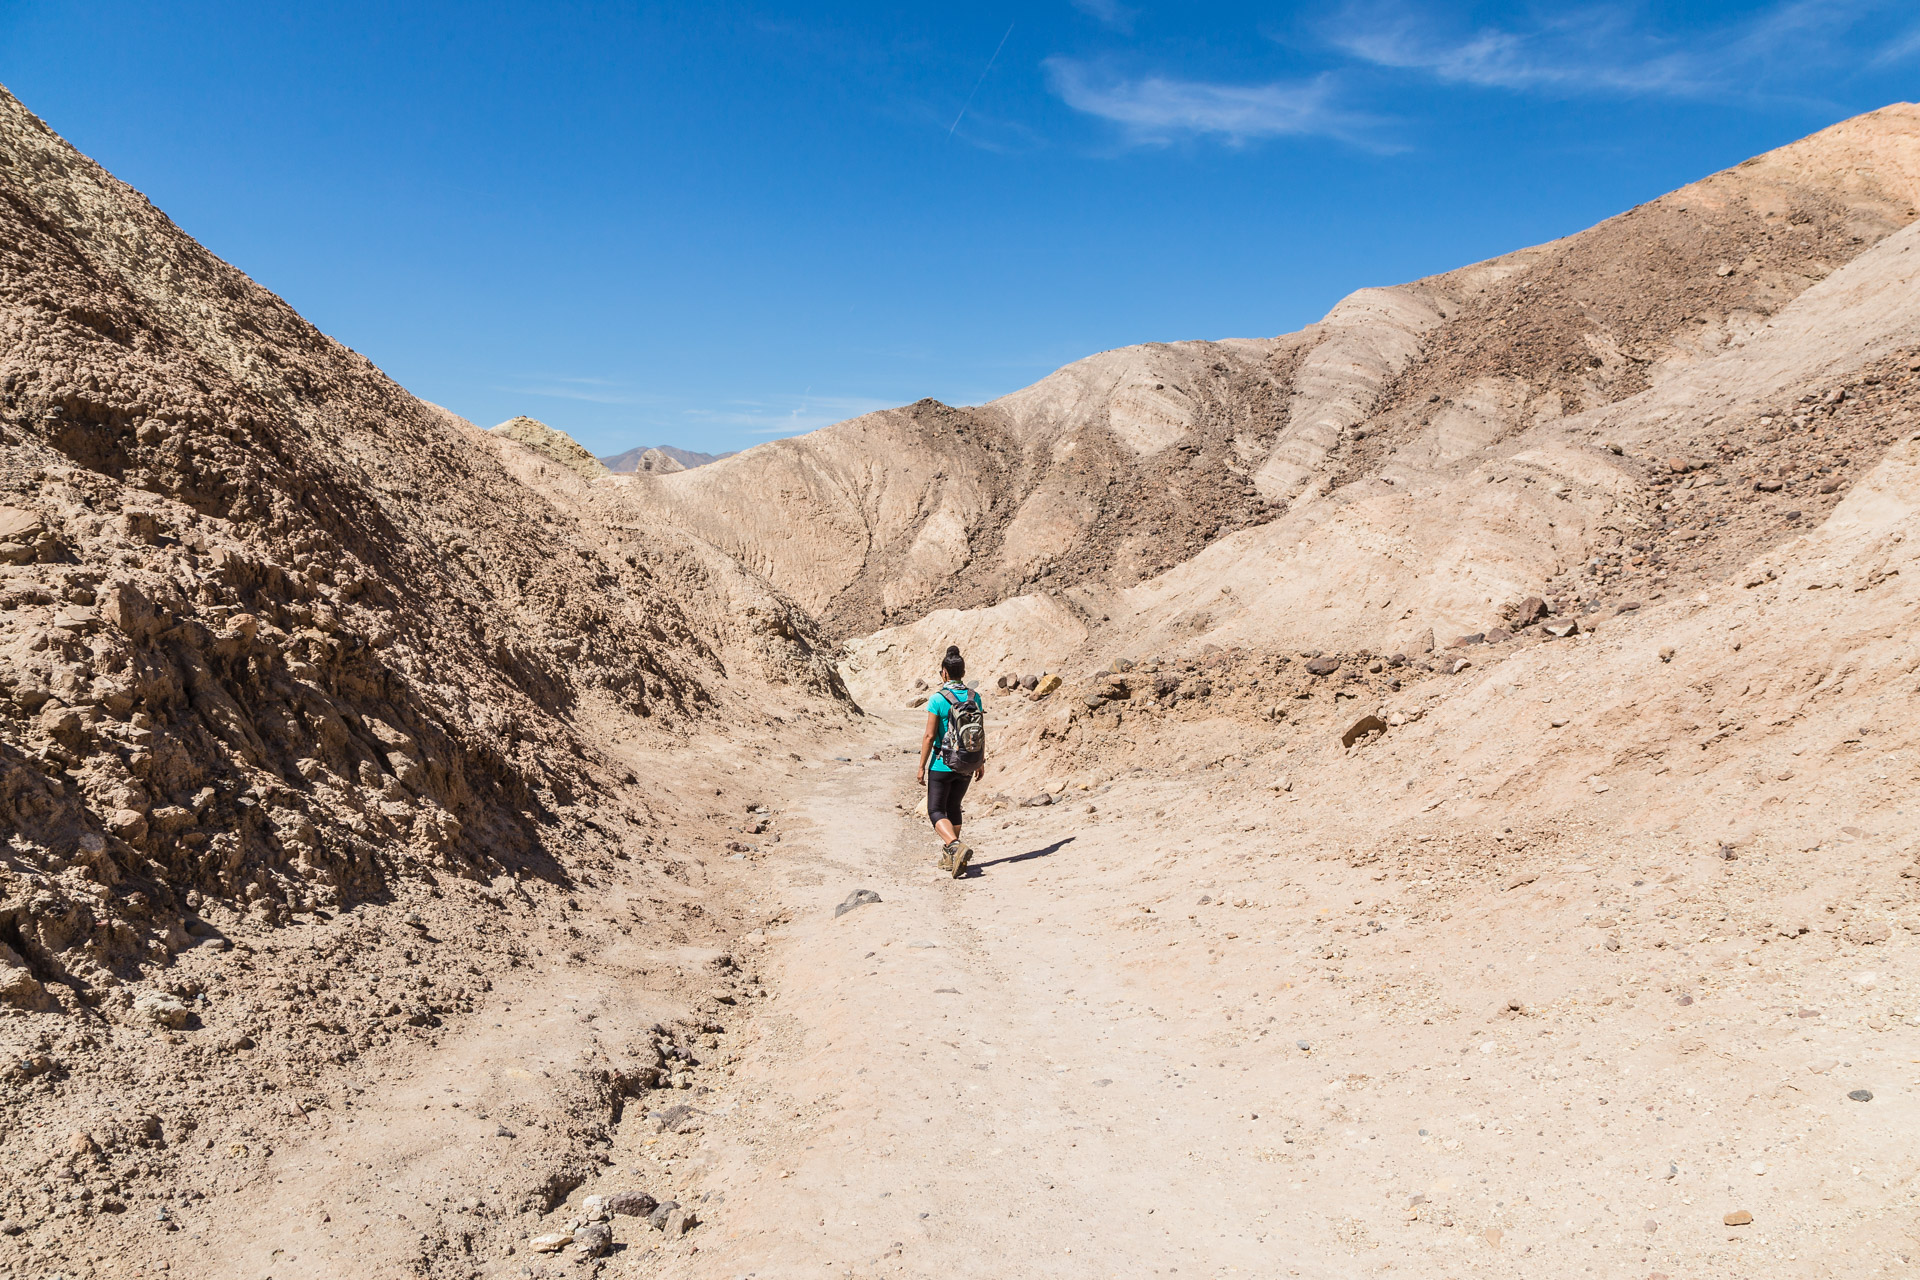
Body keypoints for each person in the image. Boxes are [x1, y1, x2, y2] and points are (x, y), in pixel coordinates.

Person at [916, 645, 987, 877]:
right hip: (967, 761)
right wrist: (980, 761)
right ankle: (950, 856)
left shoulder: (937, 699)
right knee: (954, 807)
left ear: (944, 673)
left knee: (936, 810)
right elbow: (979, 730)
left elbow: (929, 735)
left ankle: (955, 846)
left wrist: (921, 767)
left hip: (941, 763)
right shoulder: (974, 696)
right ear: (963, 673)